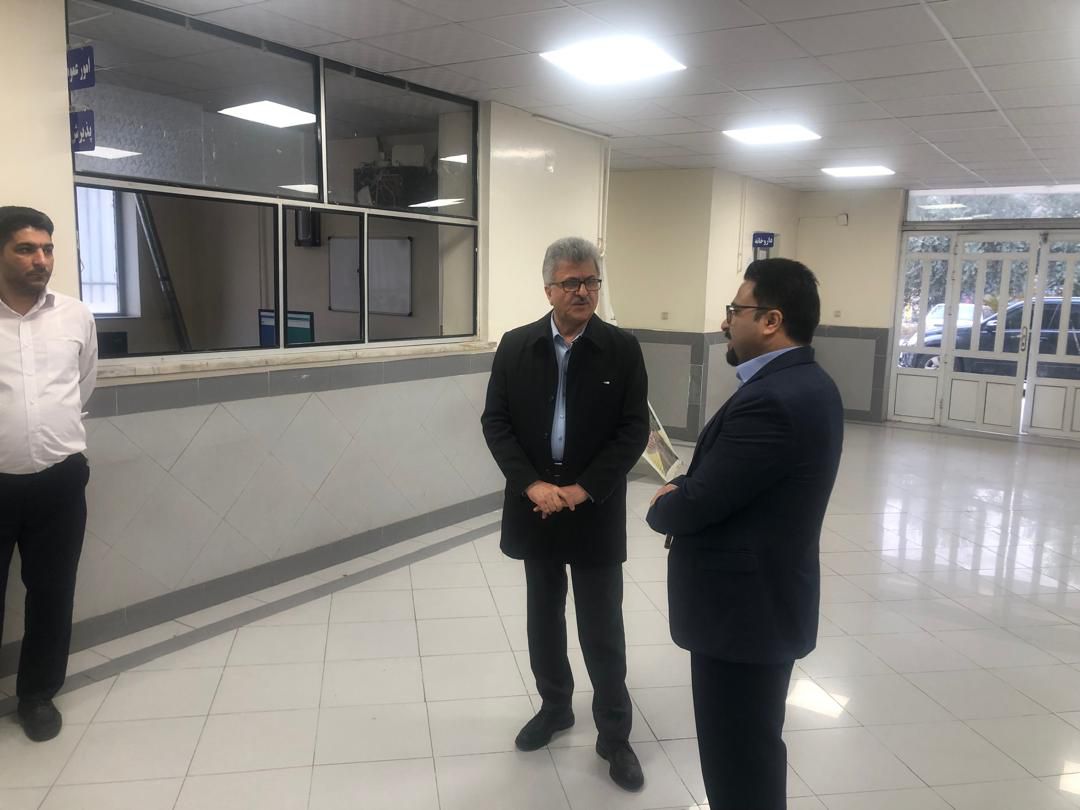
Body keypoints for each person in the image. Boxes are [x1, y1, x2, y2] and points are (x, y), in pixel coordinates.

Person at [645, 258, 843, 809]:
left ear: (771, 320)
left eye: (736, 309)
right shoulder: (808, 383)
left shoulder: (774, 399)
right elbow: (738, 483)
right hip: (763, 604)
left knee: (737, 759)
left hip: (743, 617)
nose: (725, 321)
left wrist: (665, 504)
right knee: (750, 750)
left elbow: (702, 503)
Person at [481, 236, 649, 791]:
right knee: (543, 616)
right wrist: (531, 484)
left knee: (602, 625)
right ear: (548, 289)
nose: (583, 291)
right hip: (537, 506)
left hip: (592, 505)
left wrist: (583, 489)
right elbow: (496, 422)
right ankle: (555, 707)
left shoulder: (621, 349)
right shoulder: (517, 346)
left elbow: (633, 432)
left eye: (591, 281)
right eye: (571, 282)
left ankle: (615, 735)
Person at [0, 206, 97, 742]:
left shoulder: (75, 316)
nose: (41, 259)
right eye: (25, 248)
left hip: (59, 482)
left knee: (53, 593)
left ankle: (37, 696)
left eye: (47, 248)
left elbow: (83, 385)